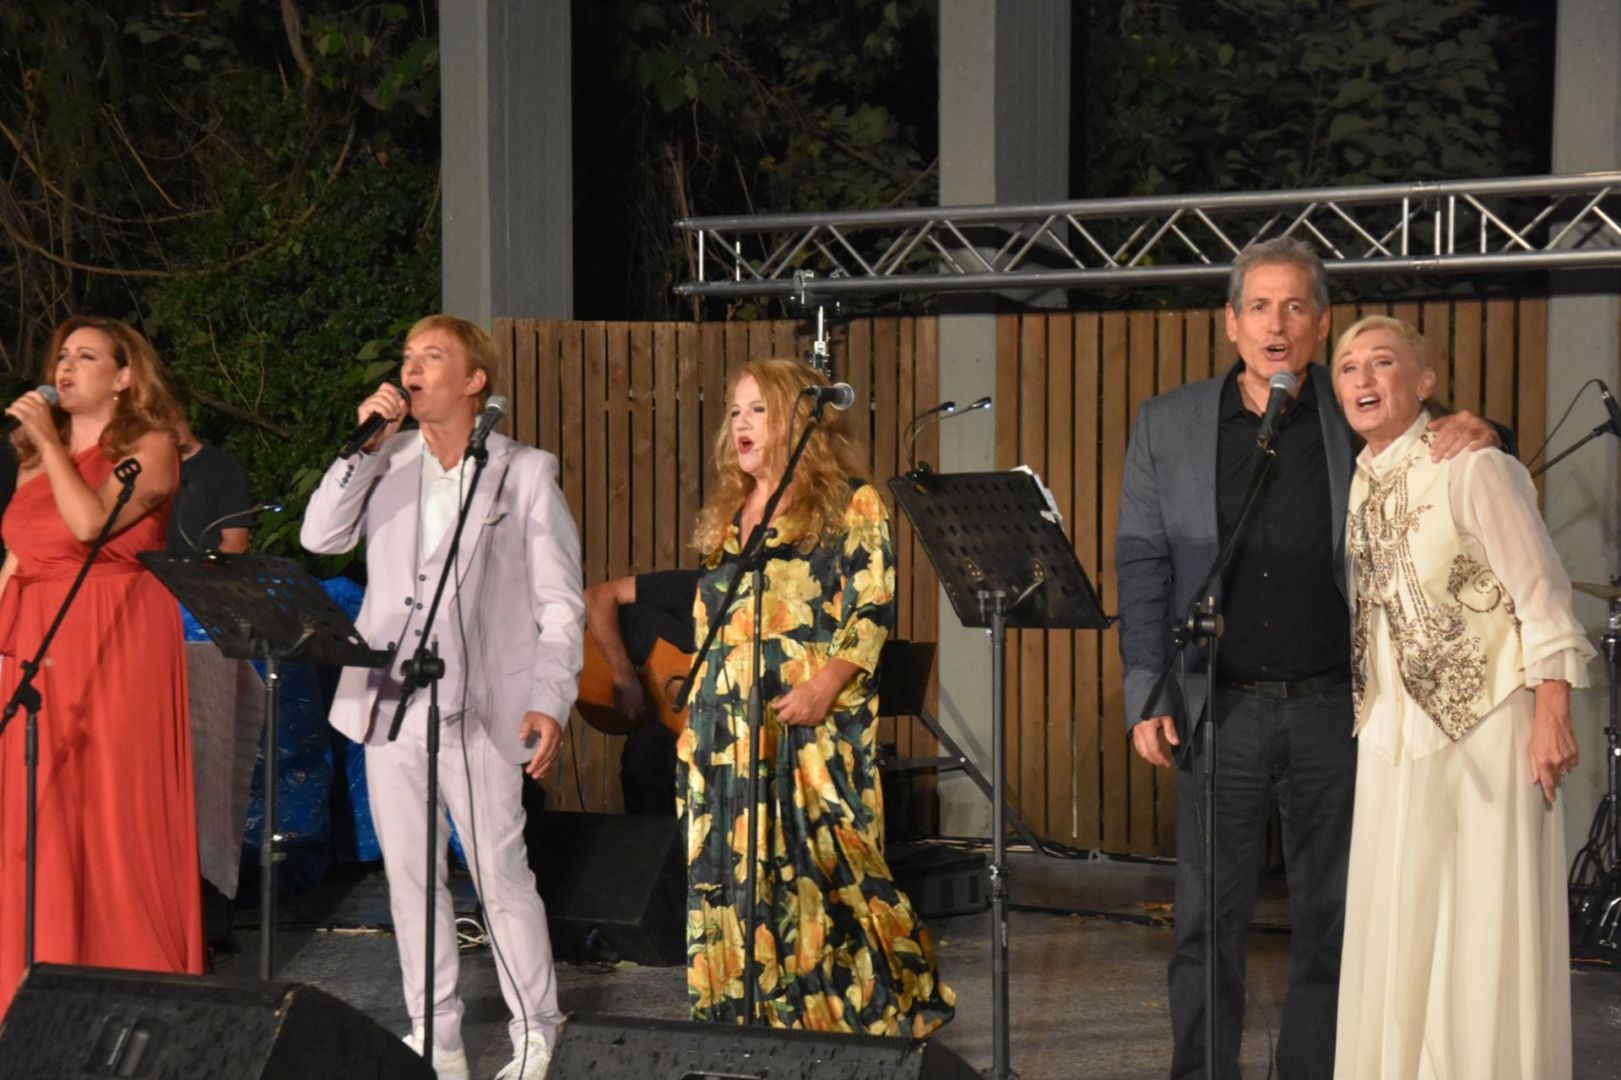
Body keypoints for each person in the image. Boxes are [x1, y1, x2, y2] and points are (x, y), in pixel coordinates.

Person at [1114, 237, 1502, 1078]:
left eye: (1294, 306)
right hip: (1214, 708)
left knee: (1330, 920)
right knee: (1204, 922)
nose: (1276, 324)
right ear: (1229, 323)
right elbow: (1141, 562)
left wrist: (1486, 428)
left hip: (1334, 707)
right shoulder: (1168, 423)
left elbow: (1445, 439)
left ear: (1320, 325)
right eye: (1258, 306)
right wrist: (1145, 688)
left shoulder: (1353, 406)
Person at [301, 315, 582, 1080]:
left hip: (483, 707)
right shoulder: (385, 460)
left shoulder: (524, 472)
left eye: (432, 356)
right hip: (391, 701)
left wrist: (550, 698)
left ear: (473, 380)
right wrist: (361, 448)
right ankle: (436, 1037)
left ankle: (537, 1031)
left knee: (499, 874)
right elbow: (321, 538)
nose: (412, 369)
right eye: (407, 357)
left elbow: (561, 605)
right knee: (410, 879)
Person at [1329, 316, 1591, 1080]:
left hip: (1484, 730)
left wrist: (1551, 713)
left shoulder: (1474, 466)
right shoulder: (1362, 480)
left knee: (1478, 923)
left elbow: (1542, 594)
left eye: (1382, 362)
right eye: (1346, 367)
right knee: (1401, 928)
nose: (1362, 378)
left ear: (1424, 382)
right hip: (1391, 736)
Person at [682, 357, 954, 1035]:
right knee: (732, 875)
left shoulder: (850, 502)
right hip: (726, 729)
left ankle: (873, 1010)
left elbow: (871, 611)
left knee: (831, 866)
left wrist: (822, 688)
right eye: (735, 411)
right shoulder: (727, 511)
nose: (741, 424)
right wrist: (697, 714)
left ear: (798, 418)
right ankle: (747, 1020)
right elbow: (712, 618)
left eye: (759, 409)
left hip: (810, 724)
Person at [0, 316, 202, 1014]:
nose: (64, 367)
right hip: (38, 638)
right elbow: (19, 555)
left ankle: (128, 987)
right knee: (41, 808)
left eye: (85, 356)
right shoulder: (37, 457)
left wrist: (50, 449)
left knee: (111, 813)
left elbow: (89, 525)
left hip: (115, 637)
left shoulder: (151, 447)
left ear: (123, 377)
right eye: (61, 355)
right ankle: (36, 986)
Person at [583, 569, 699, 816]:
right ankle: (651, 839)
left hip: (719, 739)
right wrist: (624, 673)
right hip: (666, 734)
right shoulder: (694, 586)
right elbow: (596, 597)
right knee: (643, 755)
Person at [165, 377, 254, 554]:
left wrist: (202, 570)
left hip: (201, 570)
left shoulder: (222, 468)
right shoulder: (144, 469)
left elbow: (235, 544)